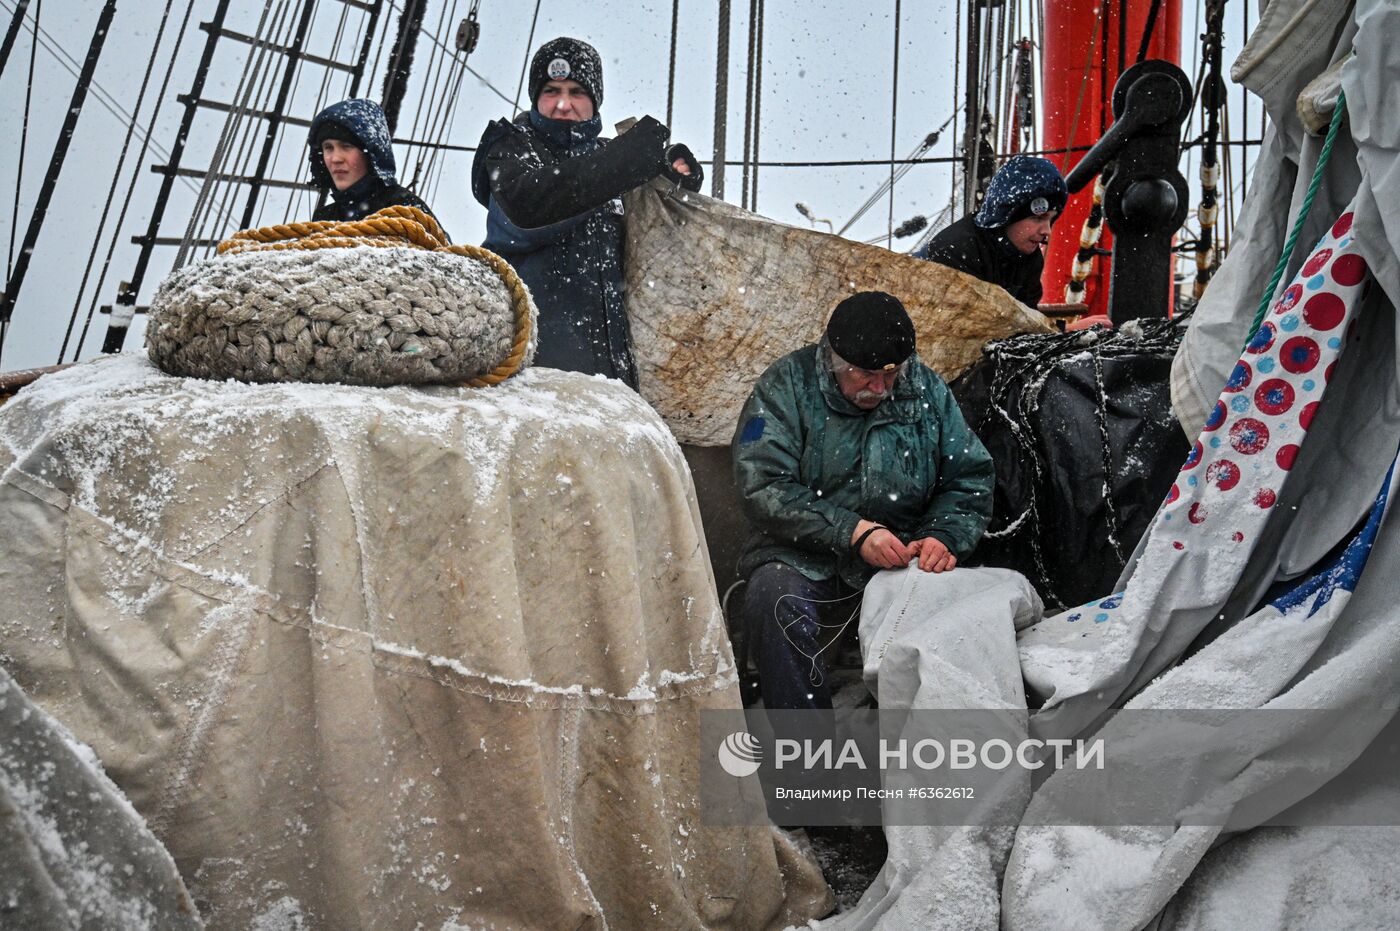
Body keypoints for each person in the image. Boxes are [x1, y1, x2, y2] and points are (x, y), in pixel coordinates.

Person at [733, 291, 995, 711]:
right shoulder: (785, 386)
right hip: (804, 556)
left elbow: (969, 477)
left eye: (891, 374)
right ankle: (808, 762)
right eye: (865, 374)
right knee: (773, 601)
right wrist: (850, 531)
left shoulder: (925, 388)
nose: (880, 387)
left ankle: (917, 759)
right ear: (833, 359)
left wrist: (943, 534)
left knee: (966, 619)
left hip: (904, 555)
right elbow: (762, 484)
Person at [470, 37, 703, 389]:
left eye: (577, 91)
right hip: (528, 380)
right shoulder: (509, 150)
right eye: (551, 90)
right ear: (535, 97)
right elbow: (529, 211)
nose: (563, 104)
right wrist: (626, 162)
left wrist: (673, 179)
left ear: (595, 100)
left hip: (611, 382)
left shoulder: (611, 161)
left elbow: (661, 243)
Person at [914, 155, 1067, 307]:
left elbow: (1027, 321)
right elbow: (966, 324)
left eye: (1050, 220)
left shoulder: (1028, 258)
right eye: (1038, 218)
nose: (1047, 231)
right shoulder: (956, 250)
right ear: (1009, 216)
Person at [306, 98, 442, 231]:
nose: (335, 159)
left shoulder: (406, 210)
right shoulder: (324, 219)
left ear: (370, 154)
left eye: (346, 146)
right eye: (328, 147)